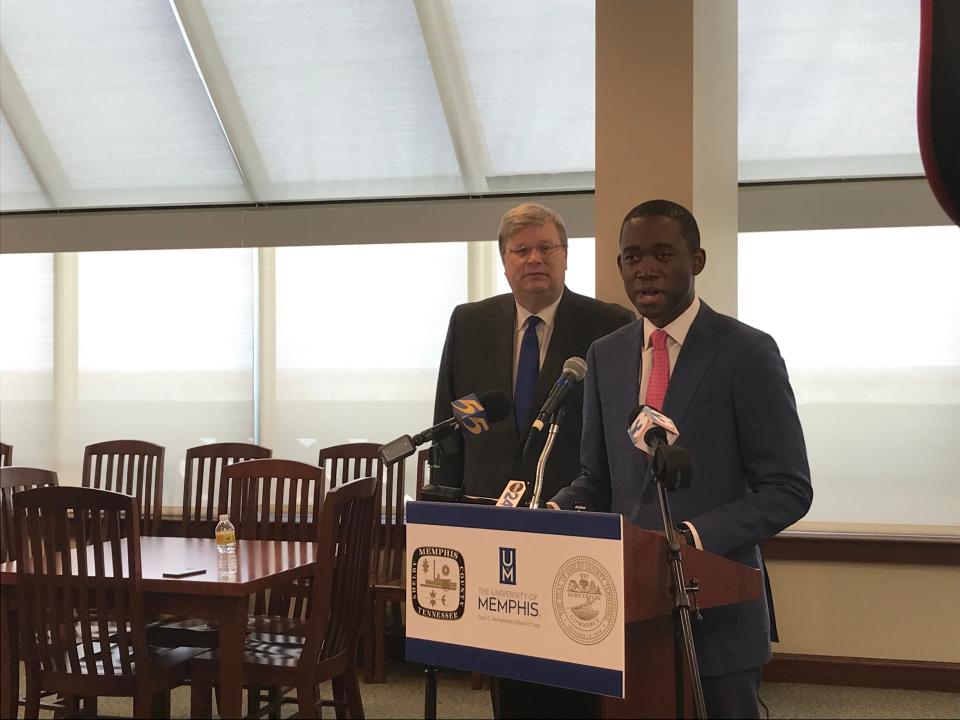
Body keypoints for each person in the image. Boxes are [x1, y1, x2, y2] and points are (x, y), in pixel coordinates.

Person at [550, 199, 813, 719]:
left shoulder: (747, 352)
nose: (645, 268)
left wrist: (692, 539)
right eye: (631, 257)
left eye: (662, 254)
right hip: (625, 611)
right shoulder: (606, 354)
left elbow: (787, 488)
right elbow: (596, 478)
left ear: (697, 260)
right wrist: (555, 512)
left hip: (717, 608)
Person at [432, 202, 634, 719]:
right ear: (504, 261)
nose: (534, 259)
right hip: (489, 520)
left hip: (573, 524)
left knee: (571, 665)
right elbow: (448, 424)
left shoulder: (609, 327)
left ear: (566, 256)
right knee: (509, 662)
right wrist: (447, 510)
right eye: (521, 250)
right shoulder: (469, 321)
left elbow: (619, 437)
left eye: (546, 247)